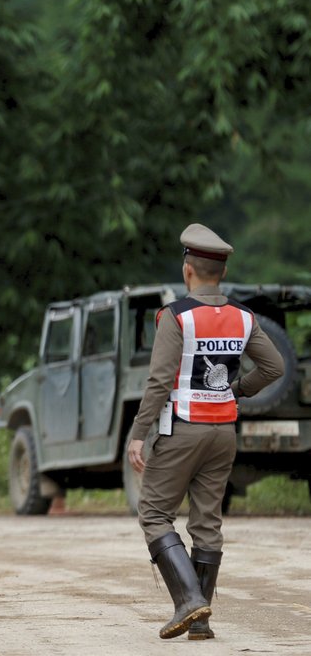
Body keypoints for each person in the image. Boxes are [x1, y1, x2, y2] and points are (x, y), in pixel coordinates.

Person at [126, 223, 284, 640]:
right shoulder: (245, 318)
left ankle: (189, 601)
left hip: (182, 430)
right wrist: (237, 390)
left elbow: (159, 382)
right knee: (207, 522)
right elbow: (274, 368)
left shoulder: (175, 317)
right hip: (223, 432)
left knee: (155, 514)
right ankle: (202, 622)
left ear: (187, 271)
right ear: (222, 274)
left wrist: (139, 433)